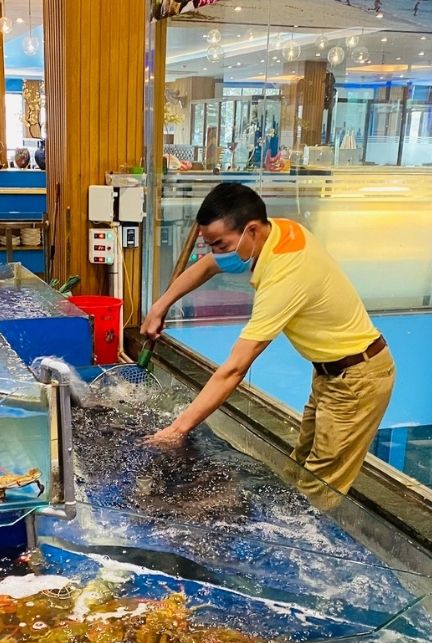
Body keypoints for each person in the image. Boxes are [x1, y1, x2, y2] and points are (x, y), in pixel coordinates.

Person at [140, 183, 395, 498]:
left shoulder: (285, 275)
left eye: (221, 244)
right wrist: (159, 307)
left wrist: (177, 430)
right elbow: (207, 266)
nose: (216, 254)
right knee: (299, 470)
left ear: (251, 231)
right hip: (332, 374)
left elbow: (235, 368)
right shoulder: (278, 232)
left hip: (358, 380)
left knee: (319, 488)